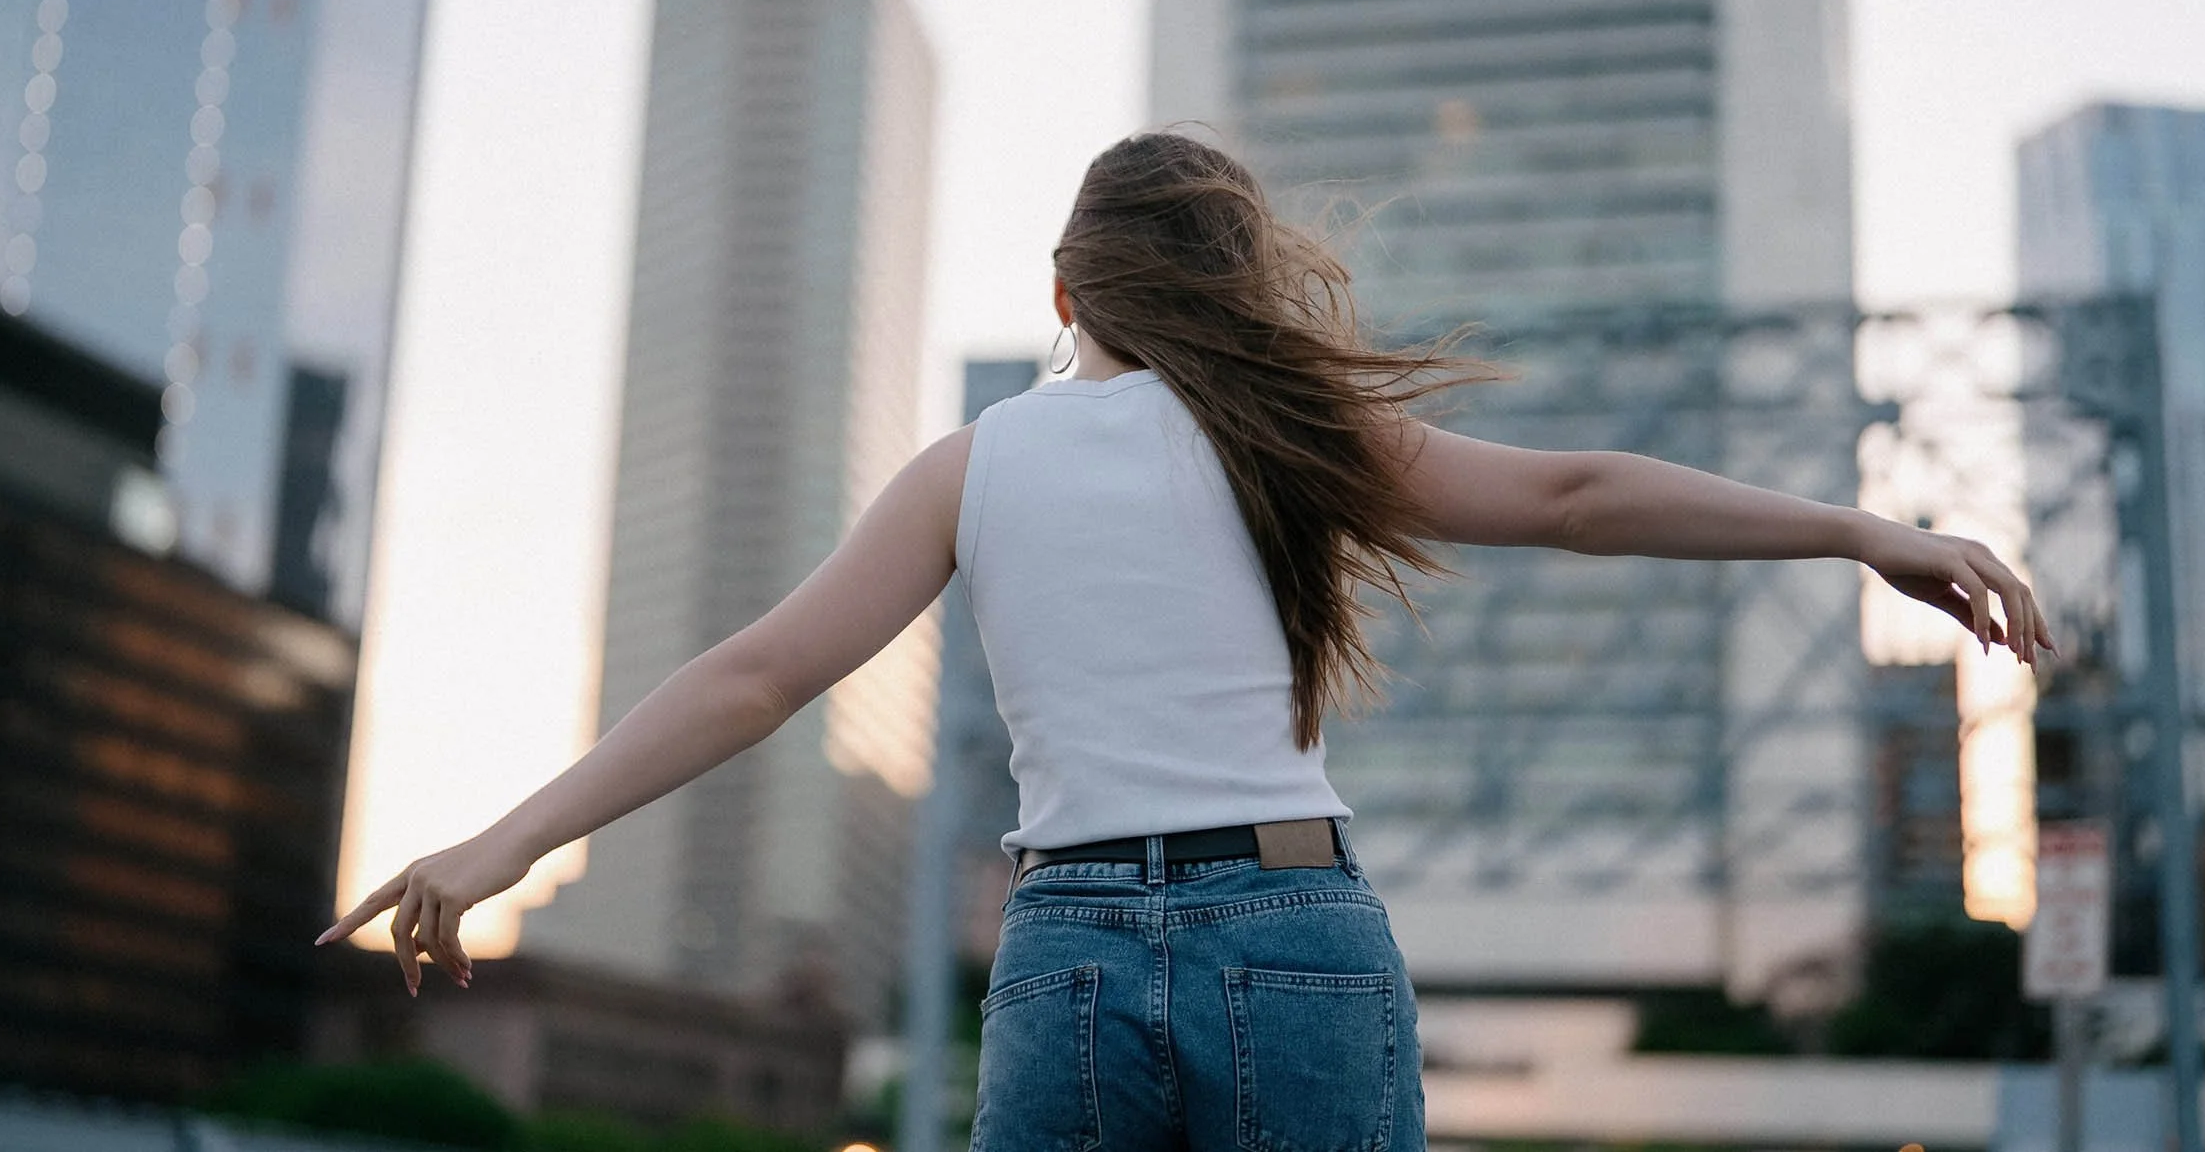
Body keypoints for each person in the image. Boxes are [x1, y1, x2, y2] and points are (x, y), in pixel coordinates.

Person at [321, 129, 2049, 1152]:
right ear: (1240, 283)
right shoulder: (1293, 430)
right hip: (1294, 920)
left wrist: (497, 843)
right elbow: (1584, 493)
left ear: (1069, 294)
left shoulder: (974, 464)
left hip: (1068, 946)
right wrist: (1866, 529)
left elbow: (757, 676)